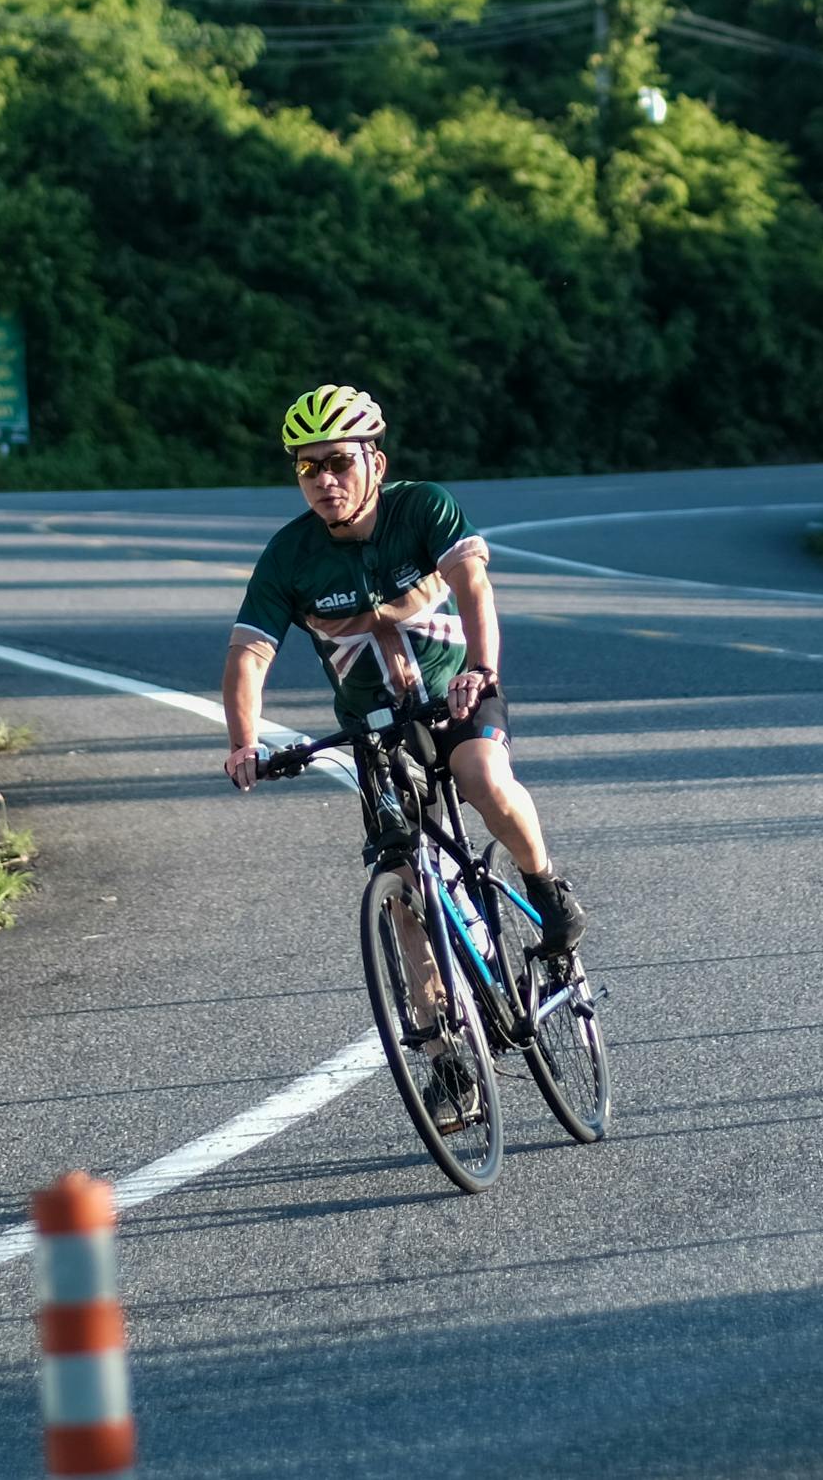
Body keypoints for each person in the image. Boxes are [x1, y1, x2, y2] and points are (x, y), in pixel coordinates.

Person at [221, 383, 585, 1119]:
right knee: (402, 888)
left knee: (481, 773)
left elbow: (472, 584)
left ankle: (547, 890)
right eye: (307, 467)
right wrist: (243, 742)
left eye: (338, 462)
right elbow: (249, 654)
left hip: (456, 695)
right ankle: (448, 1059)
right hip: (375, 731)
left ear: (375, 462)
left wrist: (482, 668)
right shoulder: (290, 554)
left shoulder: (423, 508)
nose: (324, 479)